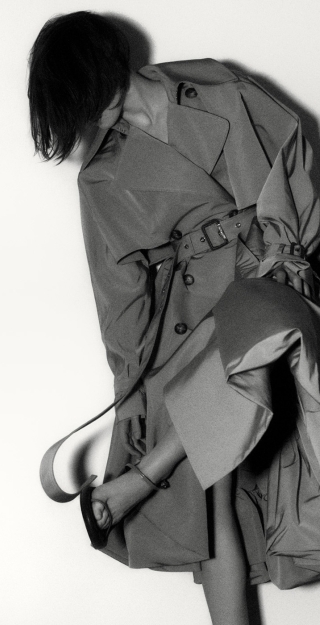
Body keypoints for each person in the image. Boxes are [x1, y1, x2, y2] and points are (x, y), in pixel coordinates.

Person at [29, 11, 320, 625]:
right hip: (189, 321)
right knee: (212, 499)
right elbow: (119, 297)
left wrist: (279, 258)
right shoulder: (102, 178)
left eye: (87, 88)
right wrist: (131, 392)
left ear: (109, 61)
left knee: (256, 322)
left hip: (276, 275)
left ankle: (142, 477)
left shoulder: (219, 91)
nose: (91, 110)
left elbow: (292, 170)